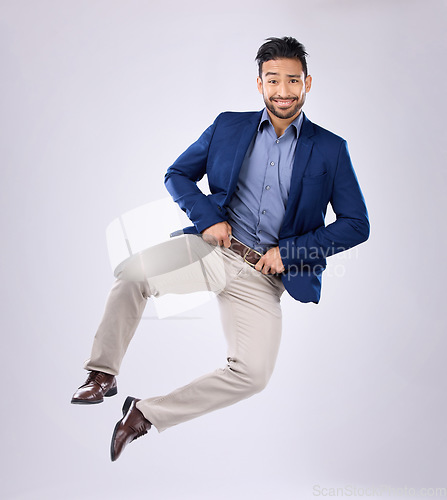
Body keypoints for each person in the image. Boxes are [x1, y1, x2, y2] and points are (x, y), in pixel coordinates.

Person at [71, 36, 370, 462]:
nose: (282, 91)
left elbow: (356, 225)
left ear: (307, 83)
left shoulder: (330, 149)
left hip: (265, 279)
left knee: (253, 375)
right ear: (259, 84)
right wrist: (208, 218)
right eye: (273, 80)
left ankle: (144, 415)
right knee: (132, 275)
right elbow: (177, 174)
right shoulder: (228, 126)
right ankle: (101, 373)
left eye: (292, 81)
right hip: (215, 252)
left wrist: (291, 253)